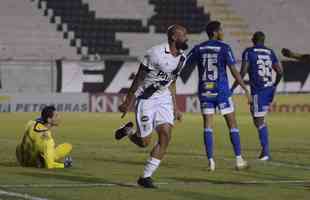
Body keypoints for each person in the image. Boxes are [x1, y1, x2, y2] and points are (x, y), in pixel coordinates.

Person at [114, 24, 187, 188]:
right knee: (144, 142)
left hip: (164, 99)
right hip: (146, 99)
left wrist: (175, 107)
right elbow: (139, 78)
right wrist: (127, 101)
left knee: (166, 135)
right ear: (174, 37)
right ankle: (128, 131)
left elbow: (172, 82)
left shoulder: (183, 58)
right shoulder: (155, 53)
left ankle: (145, 177)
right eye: (183, 35)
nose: (186, 38)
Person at [185, 21, 251, 171]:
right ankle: (239, 160)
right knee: (232, 124)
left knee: (207, 126)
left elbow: (183, 63)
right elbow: (234, 71)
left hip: (205, 92)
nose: (223, 32)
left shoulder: (198, 48)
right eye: (221, 30)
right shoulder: (224, 48)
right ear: (215, 32)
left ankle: (211, 161)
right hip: (221, 92)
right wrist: (244, 88)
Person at [231, 31, 283, 161]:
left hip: (259, 91)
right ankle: (264, 151)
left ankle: (266, 152)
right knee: (258, 119)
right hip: (269, 89)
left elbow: (242, 72)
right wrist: (274, 85)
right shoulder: (270, 52)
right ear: (263, 40)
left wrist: (232, 88)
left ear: (253, 39)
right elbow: (280, 71)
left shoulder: (249, 52)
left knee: (258, 121)